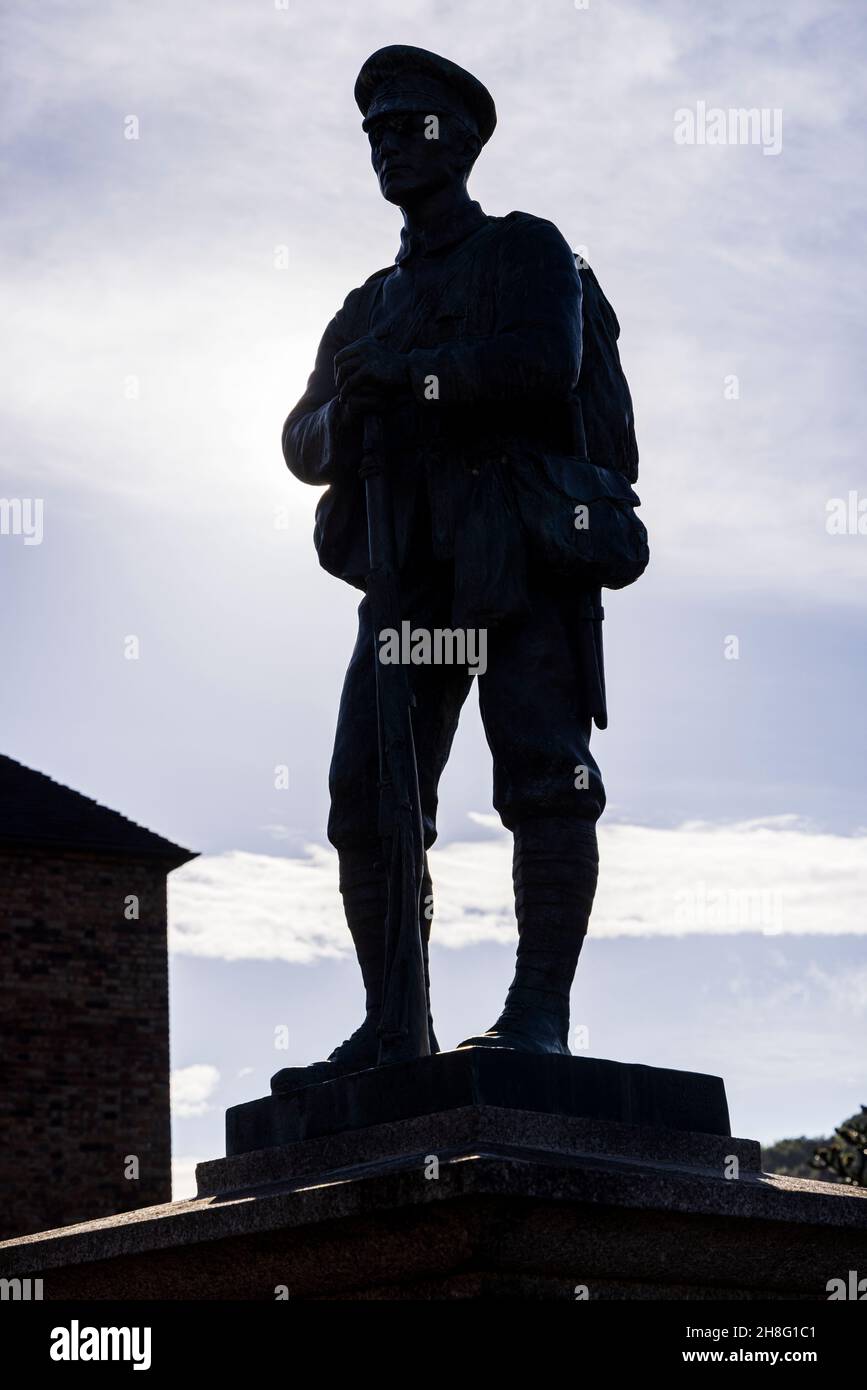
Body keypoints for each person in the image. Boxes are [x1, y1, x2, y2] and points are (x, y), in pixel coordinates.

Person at [274, 45, 642, 1091]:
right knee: (367, 799)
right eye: (376, 131)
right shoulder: (367, 302)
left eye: (410, 126)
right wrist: (355, 410)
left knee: (546, 779)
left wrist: (415, 380)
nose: (390, 142)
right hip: (412, 582)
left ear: (461, 142)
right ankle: (395, 1023)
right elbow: (301, 442)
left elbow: (538, 368)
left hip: (519, 557)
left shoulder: (527, 250)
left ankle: (539, 1015)